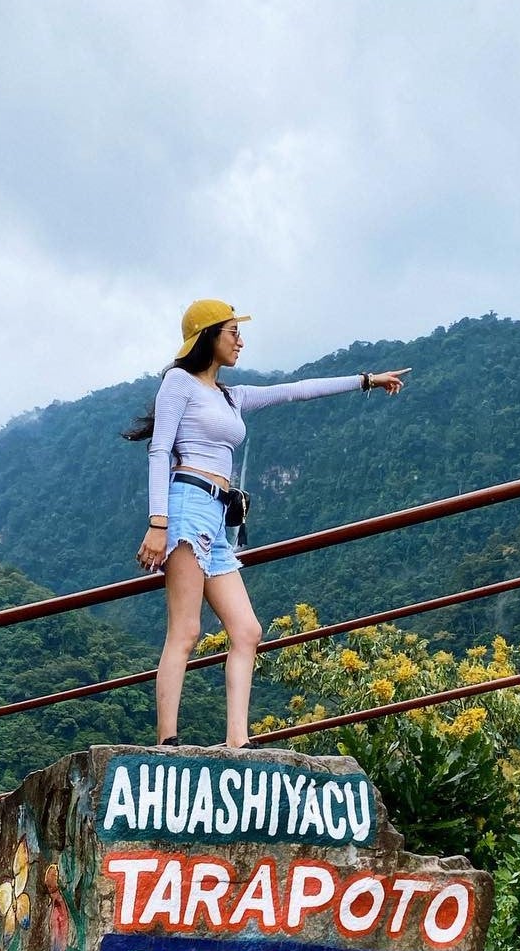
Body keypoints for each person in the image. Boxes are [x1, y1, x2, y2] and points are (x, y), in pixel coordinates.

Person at [129, 299, 409, 749]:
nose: (240, 339)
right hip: (185, 507)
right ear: (207, 337)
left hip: (218, 518)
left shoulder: (230, 396)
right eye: (231, 331)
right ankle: (168, 740)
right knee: (185, 629)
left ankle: (238, 738)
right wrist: (158, 522)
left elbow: (296, 389)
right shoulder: (179, 384)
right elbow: (159, 450)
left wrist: (366, 381)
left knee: (247, 630)